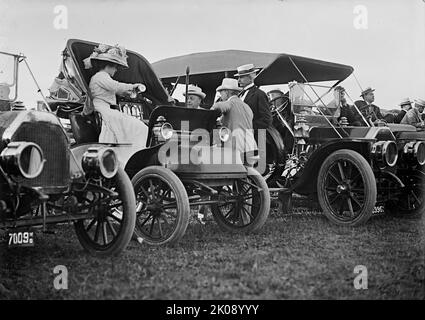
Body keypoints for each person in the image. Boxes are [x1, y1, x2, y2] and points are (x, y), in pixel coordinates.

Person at [83, 43, 148, 150]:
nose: (116, 70)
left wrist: (128, 92)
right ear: (108, 66)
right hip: (103, 109)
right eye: (115, 67)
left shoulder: (103, 77)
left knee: (131, 126)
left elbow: (116, 90)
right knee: (138, 127)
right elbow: (115, 86)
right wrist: (133, 86)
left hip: (106, 109)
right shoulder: (101, 76)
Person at [211, 78, 257, 165]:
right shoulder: (247, 107)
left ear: (227, 92)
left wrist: (210, 112)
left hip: (237, 149)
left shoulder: (231, 103)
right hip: (251, 147)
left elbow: (218, 106)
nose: (221, 95)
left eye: (221, 92)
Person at [235, 64, 272, 131]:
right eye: (238, 78)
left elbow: (266, 119)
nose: (238, 80)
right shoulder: (239, 95)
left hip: (257, 135)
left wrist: (248, 127)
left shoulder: (260, 94)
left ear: (250, 78)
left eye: (241, 77)